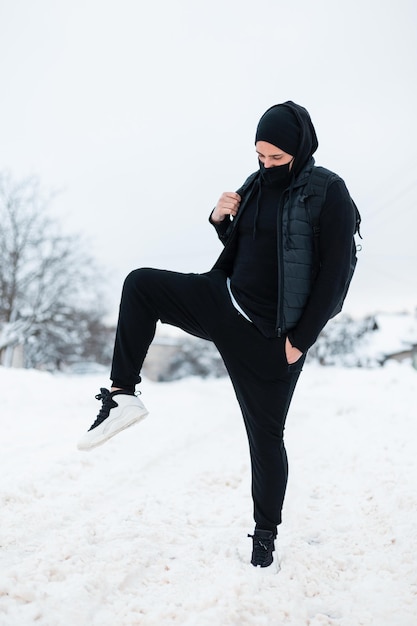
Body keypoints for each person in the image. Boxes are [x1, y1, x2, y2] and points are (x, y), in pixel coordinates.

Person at [77, 101, 357, 569]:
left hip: (271, 337)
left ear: (299, 150)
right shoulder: (254, 184)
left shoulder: (329, 192)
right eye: (259, 157)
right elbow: (249, 249)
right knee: (141, 284)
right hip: (221, 298)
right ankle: (122, 395)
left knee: (265, 438)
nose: (266, 167)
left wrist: (298, 341)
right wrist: (221, 221)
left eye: (276, 159)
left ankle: (264, 538)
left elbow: (335, 277)